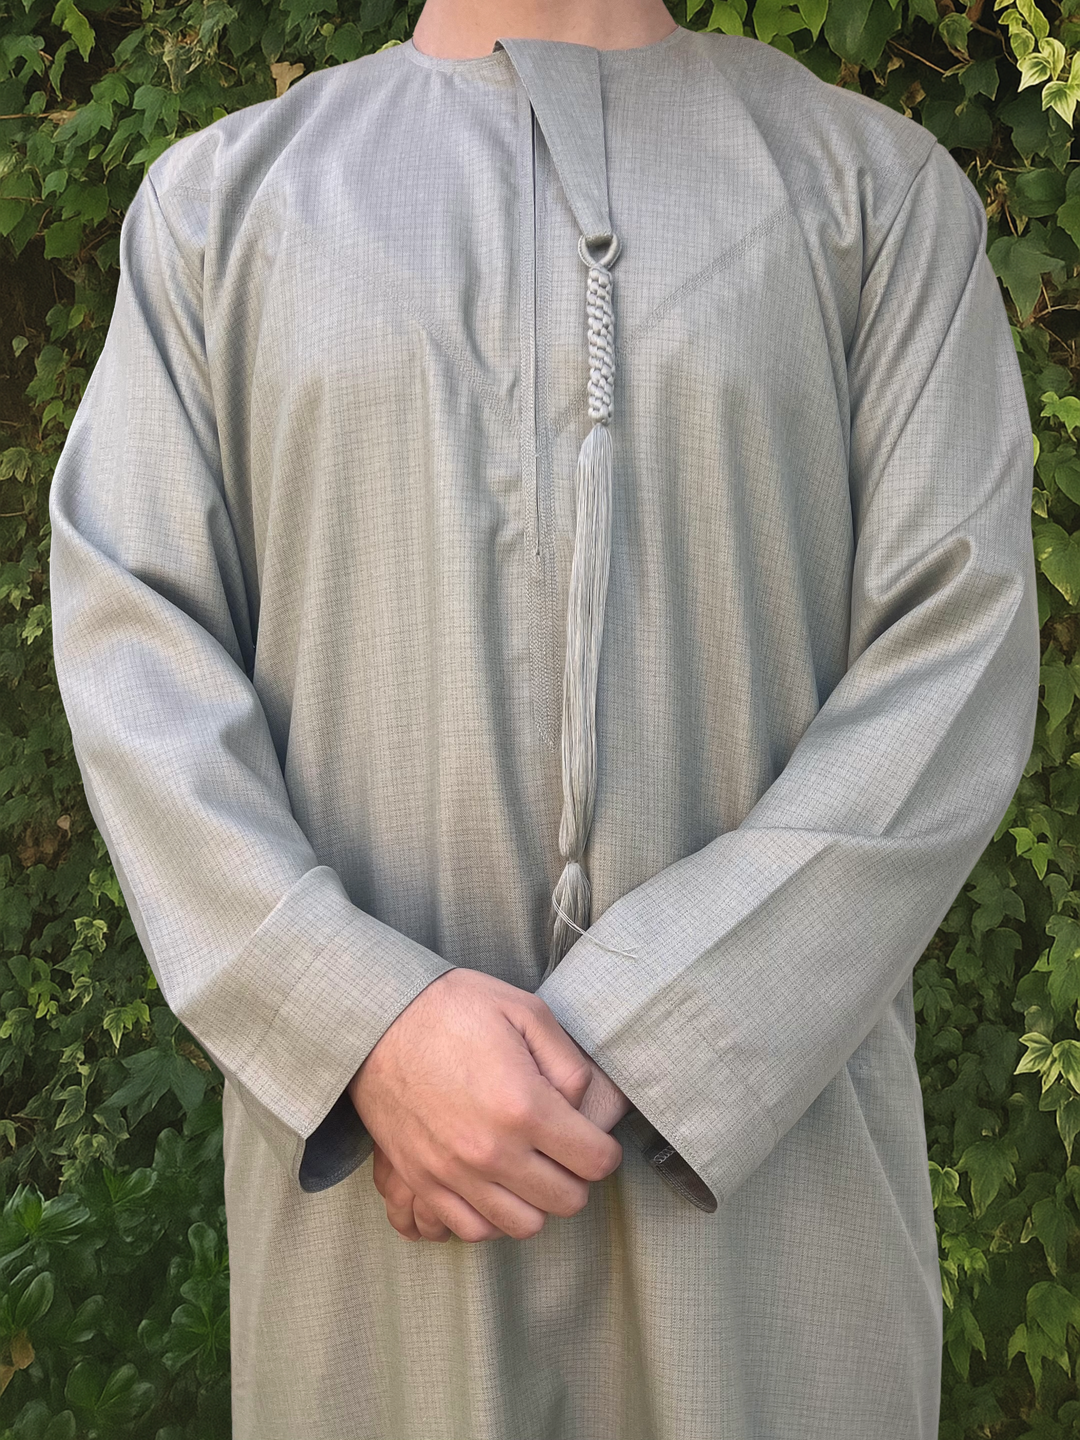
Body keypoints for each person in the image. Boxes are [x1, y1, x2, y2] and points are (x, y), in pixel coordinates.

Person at [47, 0, 1041, 1434]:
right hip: (378, 1251)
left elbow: (955, 655)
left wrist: (674, 1028)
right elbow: (136, 645)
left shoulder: (875, 198)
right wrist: (359, 1023)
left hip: (772, 1245)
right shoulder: (217, 212)